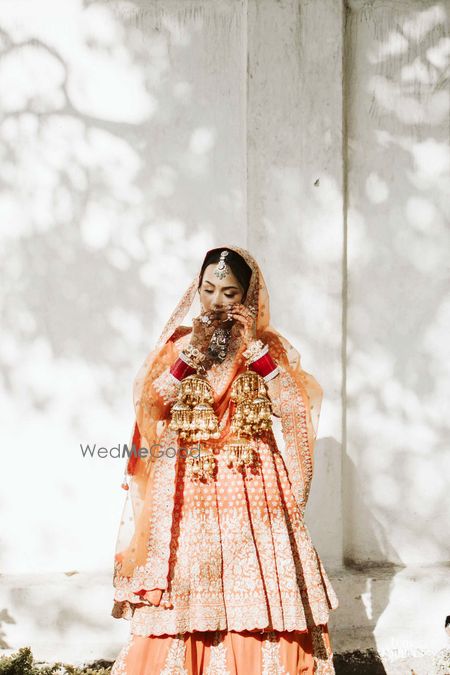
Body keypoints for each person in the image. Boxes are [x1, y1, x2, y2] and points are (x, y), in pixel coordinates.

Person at [110, 245, 338, 674]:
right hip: (187, 479)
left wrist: (258, 355)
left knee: (251, 571)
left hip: (250, 477)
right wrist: (191, 354)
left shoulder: (265, 348)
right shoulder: (181, 344)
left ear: (247, 297)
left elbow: (293, 407)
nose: (216, 301)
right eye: (208, 289)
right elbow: (152, 406)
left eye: (230, 293)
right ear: (196, 289)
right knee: (189, 575)